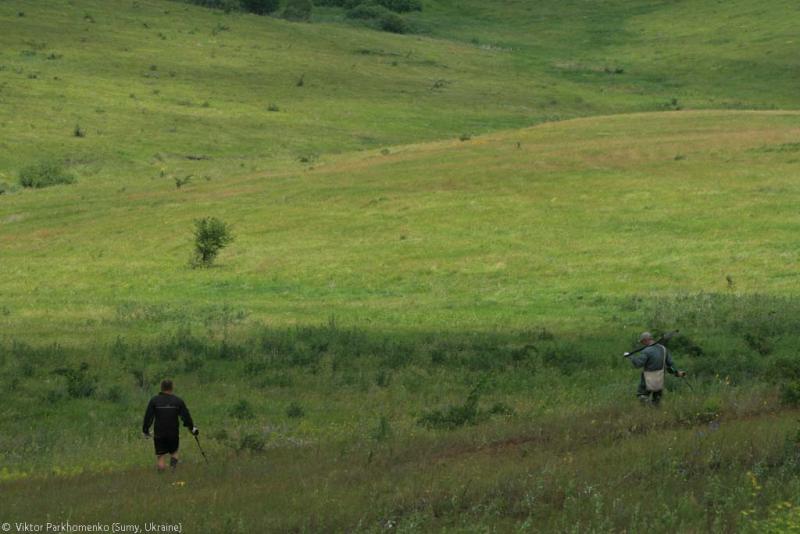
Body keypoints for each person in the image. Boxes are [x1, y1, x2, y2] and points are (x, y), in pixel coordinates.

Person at [142, 379, 198, 472]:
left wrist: (145, 430)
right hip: (173, 432)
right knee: (174, 452)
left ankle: (162, 476)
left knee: (160, 455)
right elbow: (186, 417)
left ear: (161, 388)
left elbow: (148, 417)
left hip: (159, 432)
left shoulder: (154, 400)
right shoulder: (178, 401)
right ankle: (173, 470)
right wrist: (191, 428)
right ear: (172, 388)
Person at [629, 332, 686, 405]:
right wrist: (676, 372)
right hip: (660, 377)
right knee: (657, 399)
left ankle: (650, 407)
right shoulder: (663, 349)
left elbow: (638, 364)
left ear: (646, 340)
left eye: (642, 342)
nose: (642, 344)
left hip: (648, 377)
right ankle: (655, 410)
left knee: (642, 396)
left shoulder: (646, 351)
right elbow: (670, 365)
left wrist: (631, 357)